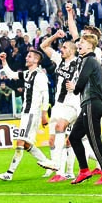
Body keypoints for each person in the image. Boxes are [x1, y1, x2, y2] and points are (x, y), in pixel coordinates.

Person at [66, 5, 102, 171]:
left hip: (97, 97)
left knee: (92, 135)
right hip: (87, 96)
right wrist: (70, 14)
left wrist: (76, 85)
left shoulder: (97, 57)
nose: (80, 40)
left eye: (84, 39)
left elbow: (101, 76)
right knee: (88, 134)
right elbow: (74, 32)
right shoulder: (89, 54)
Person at [0, 50, 51, 181]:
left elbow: (45, 95)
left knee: (20, 141)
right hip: (26, 113)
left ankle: (9, 173)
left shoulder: (40, 75)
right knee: (25, 144)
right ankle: (47, 163)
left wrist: (44, 113)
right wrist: (4, 61)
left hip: (33, 113)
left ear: (36, 60)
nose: (26, 57)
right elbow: (11, 74)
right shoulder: (27, 74)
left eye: (29, 56)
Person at [66, 34, 102, 185]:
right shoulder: (94, 63)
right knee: (74, 137)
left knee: (94, 138)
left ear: (90, 46)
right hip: (90, 104)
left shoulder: (89, 60)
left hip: (91, 103)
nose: (79, 44)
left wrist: (75, 88)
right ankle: (84, 170)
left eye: (82, 42)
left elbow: (80, 83)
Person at [37, 31, 80, 182]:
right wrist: (55, 36)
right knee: (54, 139)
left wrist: (76, 86)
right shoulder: (59, 61)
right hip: (58, 105)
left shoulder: (80, 62)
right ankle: (60, 172)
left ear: (73, 51)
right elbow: (43, 45)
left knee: (61, 128)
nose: (62, 49)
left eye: (65, 47)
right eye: (61, 47)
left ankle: (61, 168)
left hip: (73, 103)